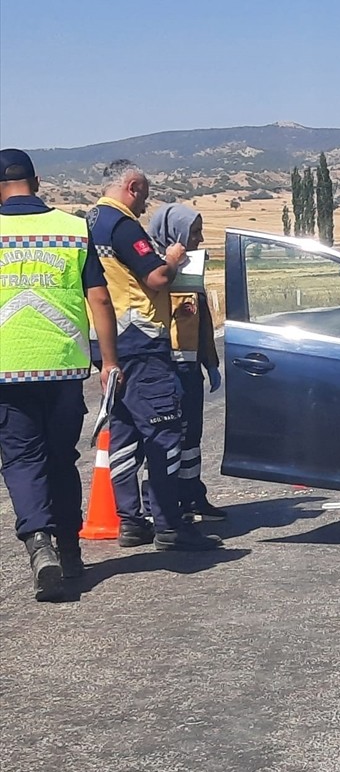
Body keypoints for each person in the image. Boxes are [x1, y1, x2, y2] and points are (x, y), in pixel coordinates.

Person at [0, 148, 121, 600]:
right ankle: (70, 550)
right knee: (60, 457)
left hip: (7, 369)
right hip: (65, 366)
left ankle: (39, 543)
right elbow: (101, 299)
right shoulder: (73, 229)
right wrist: (109, 361)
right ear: (37, 181)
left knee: (21, 460)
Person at [85, 160, 221, 551]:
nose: (145, 205)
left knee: (125, 432)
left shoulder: (87, 221)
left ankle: (131, 521)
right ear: (132, 186)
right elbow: (156, 277)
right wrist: (174, 259)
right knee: (165, 432)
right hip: (141, 341)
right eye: (143, 194)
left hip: (107, 343)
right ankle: (170, 524)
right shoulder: (123, 225)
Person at [148, 204, 226, 523]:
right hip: (165, 367)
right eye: (194, 232)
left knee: (191, 438)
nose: (199, 238)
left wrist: (210, 362)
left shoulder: (191, 268)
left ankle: (192, 495)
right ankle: (162, 504)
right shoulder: (151, 267)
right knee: (168, 439)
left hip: (189, 368)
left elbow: (202, 318)